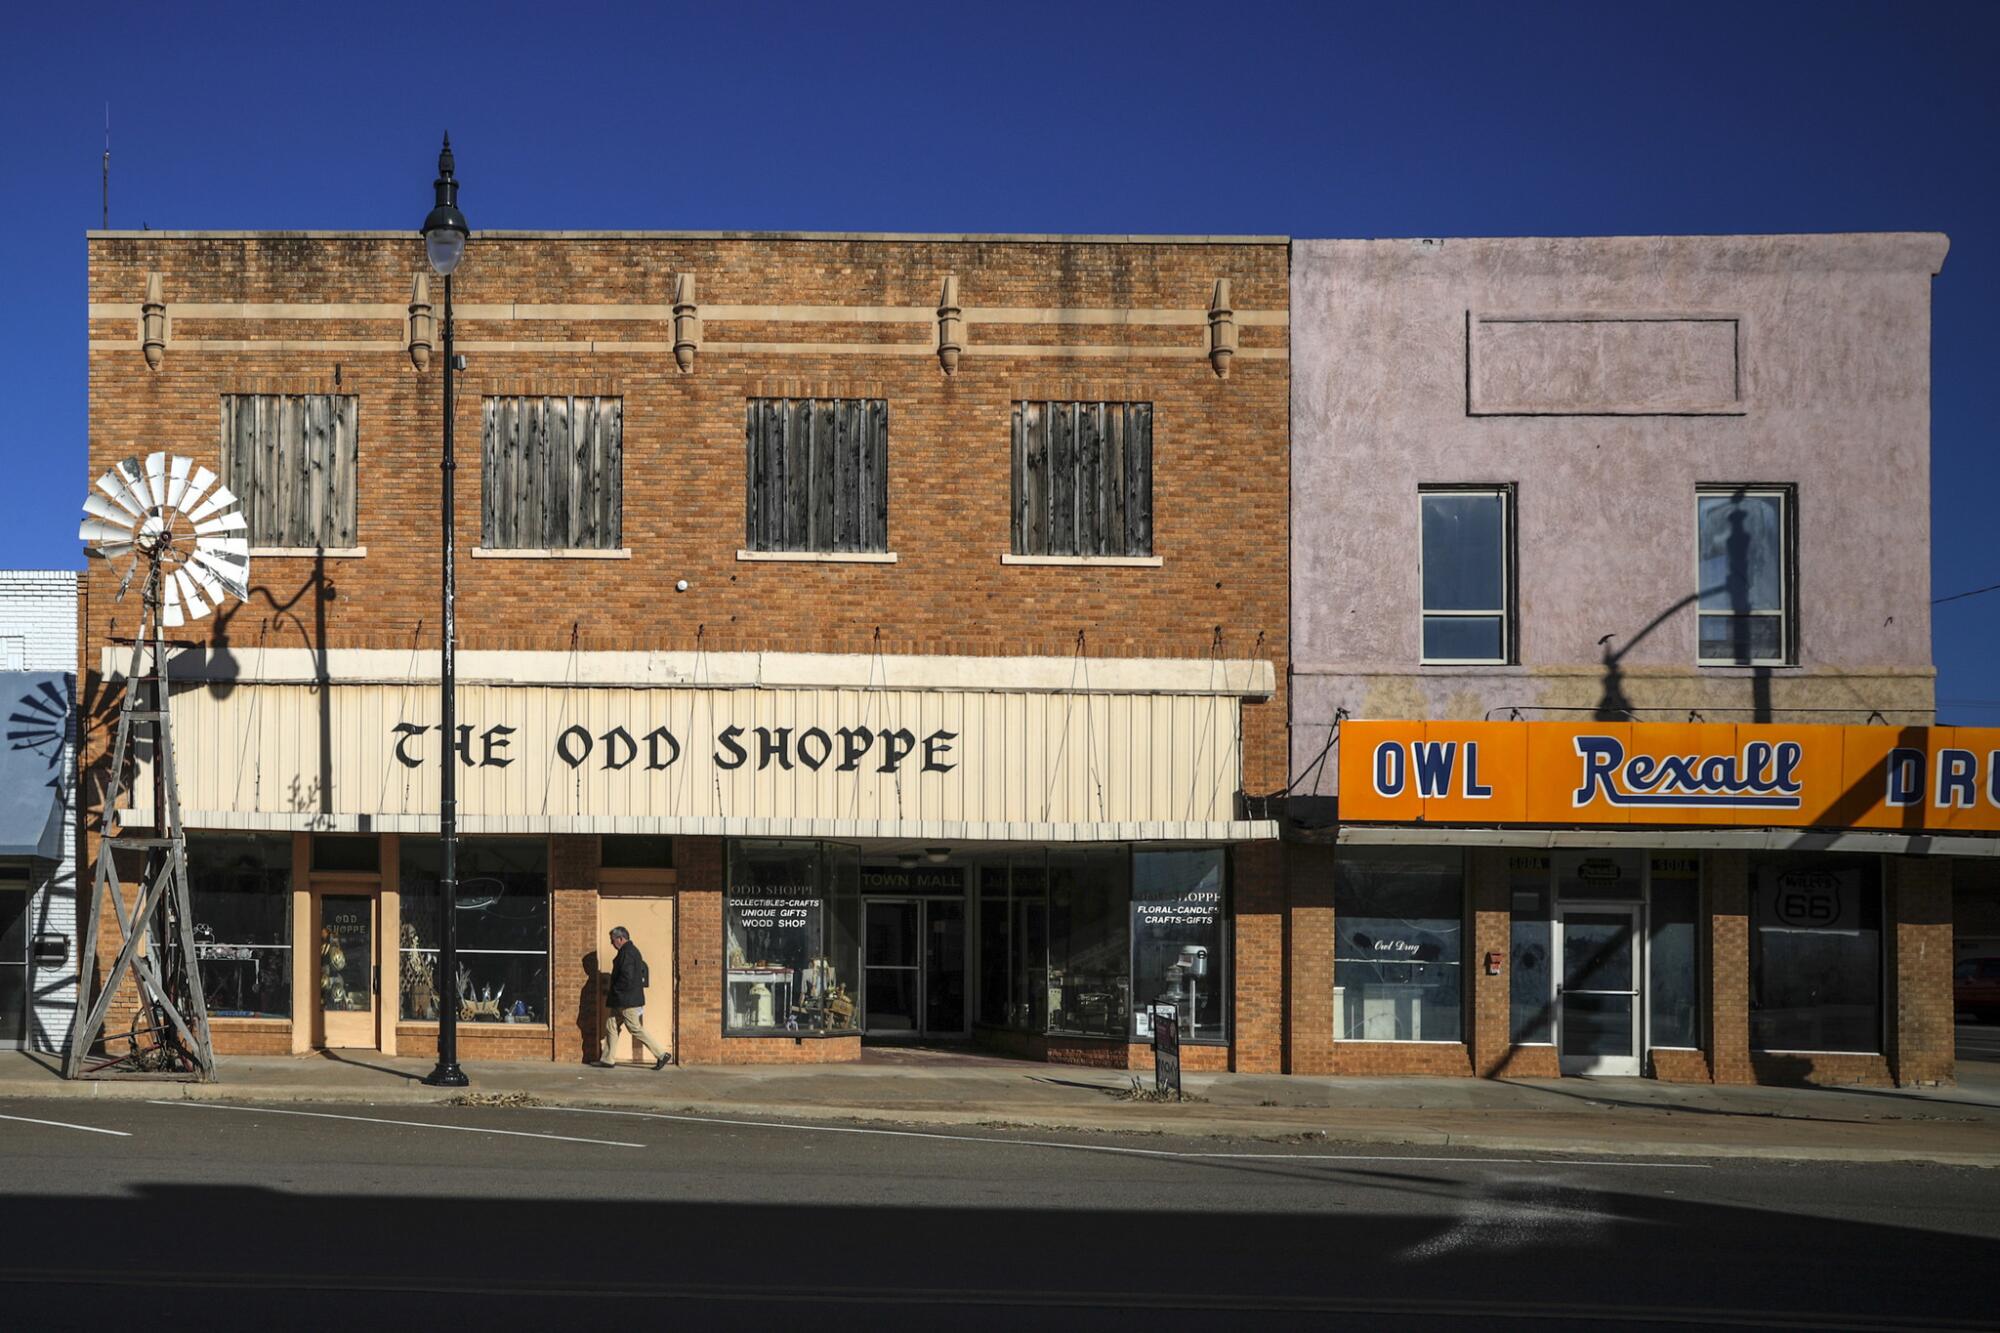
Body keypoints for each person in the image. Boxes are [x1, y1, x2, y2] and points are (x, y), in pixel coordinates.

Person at [599, 926, 671, 1070]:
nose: (612, 943)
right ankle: (608, 1059)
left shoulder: (628, 953)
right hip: (623, 1000)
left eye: (613, 940)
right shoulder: (629, 951)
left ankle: (661, 1054)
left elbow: (627, 977)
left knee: (635, 1028)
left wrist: (617, 991)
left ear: (621, 939)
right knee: (612, 1025)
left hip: (626, 1001)